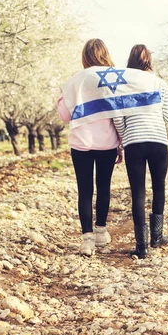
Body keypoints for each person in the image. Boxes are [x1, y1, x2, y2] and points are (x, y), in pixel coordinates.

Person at [57, 39, 123, 256]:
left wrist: (60, 100)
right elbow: (119, 114)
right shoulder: (113, 79)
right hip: (107, 143)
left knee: (85, 189)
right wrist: (121, 145)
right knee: (104, 187)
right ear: (105, 53)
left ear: (84, 55)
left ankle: (87, 239)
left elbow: (65, 116)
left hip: (81, 143)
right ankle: (102, 233)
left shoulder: (74, 81)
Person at [113, 44, 168, 259]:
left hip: (134, 143)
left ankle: (141, 247)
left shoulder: (122, 86)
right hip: (158, 140)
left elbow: (118, 118)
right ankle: (156, 236)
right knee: (159, 188)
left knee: (138, 192)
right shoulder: (160, 83)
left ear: (130, 60)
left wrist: (125, 135)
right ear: (149, 60)